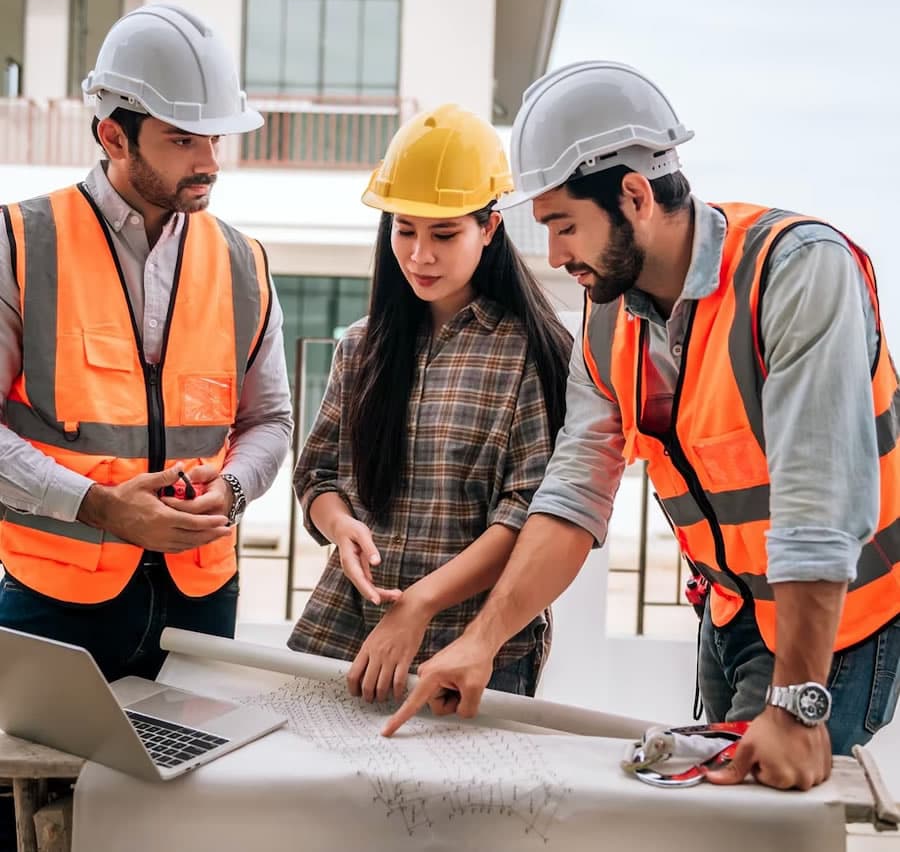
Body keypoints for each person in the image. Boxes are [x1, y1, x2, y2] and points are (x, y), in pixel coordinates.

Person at [383, 61, 900, 792]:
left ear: (634, 195)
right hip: (729, 617)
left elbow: (819, 506)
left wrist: (795, 705)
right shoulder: (606, 318)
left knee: (758, 822)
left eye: (566, 226)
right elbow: (571, 496)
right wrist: (480, 642)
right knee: (719, 815)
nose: (557, 256)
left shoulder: (798, 272)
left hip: (836, 621)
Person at [0, 4, 292, 681]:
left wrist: (238, 491)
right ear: (115, 136)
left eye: (215, 138)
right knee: (43, 788)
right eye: (182, 139)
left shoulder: (243, 262)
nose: (209, 161)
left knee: (186, 781)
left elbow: (270, 420)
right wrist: (100, 508)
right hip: (54, 603)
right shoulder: (19, 246)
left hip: (204, 602)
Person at [287, 104, 572, 703]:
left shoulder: (531, 354)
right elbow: (316, 475)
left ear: (490, 228)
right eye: (404, 230)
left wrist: (419, 605)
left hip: (472, 650)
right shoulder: (362, 347)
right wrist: (342, 529)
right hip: (350, 632)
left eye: (444, 234)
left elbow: (526, 516)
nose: (420, 255)